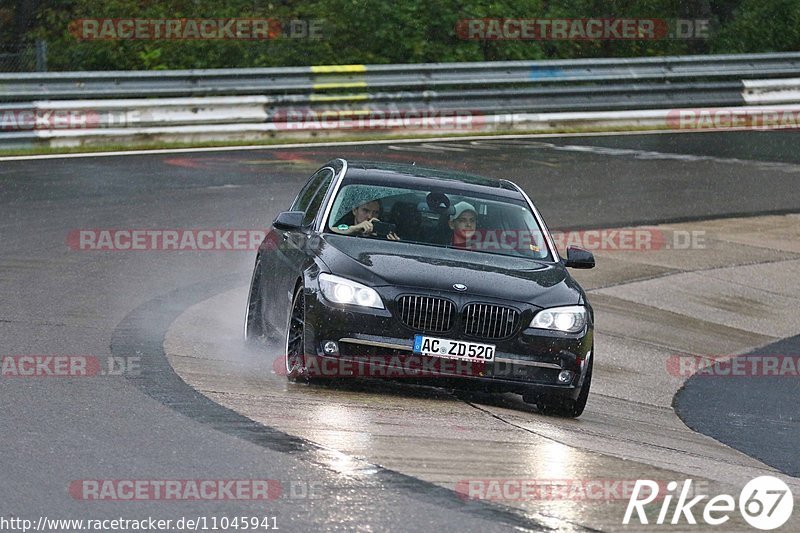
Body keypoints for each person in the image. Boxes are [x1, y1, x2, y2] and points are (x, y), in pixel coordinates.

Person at [331, 199, 400, 240]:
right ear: (354, 210)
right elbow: (330, 231)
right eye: (365, 211)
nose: (370, 216)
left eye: (375, 212)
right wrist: (354, 229)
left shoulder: (383, 237)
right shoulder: (345, 228)